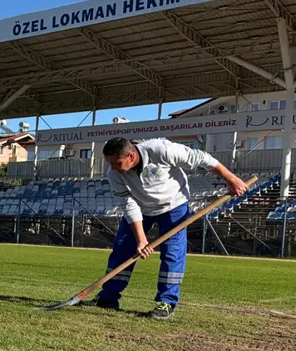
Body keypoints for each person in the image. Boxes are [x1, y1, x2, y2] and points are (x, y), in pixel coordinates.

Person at [86, 137, 248, 319]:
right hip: (141, 207)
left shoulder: (162, 150)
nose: (113, 167)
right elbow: (128, 204)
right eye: (110, 163)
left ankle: (166, 302)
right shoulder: (114, 174)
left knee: (172, 253)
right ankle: (108, 298)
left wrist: (231, 179)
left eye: (116, 163)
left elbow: (202, 158)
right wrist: (141, 240)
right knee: (123, 248)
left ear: (131, 156)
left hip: (173, 206)